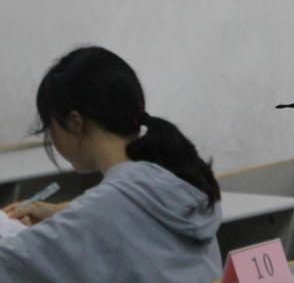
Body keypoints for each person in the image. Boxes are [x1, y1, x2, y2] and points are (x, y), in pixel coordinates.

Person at [0, 46, 222, 283]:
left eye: (50, 126)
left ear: (75, 122)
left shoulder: (102, 211)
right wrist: (59, 213)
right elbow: (123, 213)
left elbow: (11, 263)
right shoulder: (180, 180)